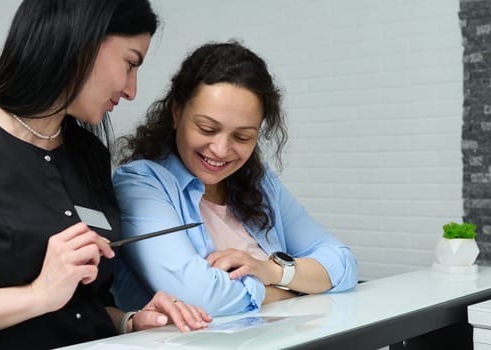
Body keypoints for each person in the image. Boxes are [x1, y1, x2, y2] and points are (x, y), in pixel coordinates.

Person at [0, 1, 211, 348]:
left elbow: (86, 306)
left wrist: (130, 320)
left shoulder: (89, 154)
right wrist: (40, 294)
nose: (131, 90)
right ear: (82, 40)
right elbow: (52, 299)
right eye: (130, 63)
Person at [112, 40, 359, 317]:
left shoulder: (261, 183)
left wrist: (269, 270)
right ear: (177, 112)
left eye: (242, 137)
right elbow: (201, 297)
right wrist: (293, 289)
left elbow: (343, 262)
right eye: (207, 129)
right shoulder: (141, 183)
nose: (220, 149)